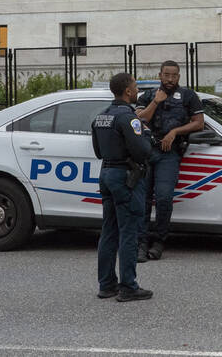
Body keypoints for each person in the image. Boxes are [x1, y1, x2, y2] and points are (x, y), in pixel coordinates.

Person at [91, 72, 154, 302]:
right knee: (129, 232)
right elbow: (143, 151)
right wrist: (147, 136)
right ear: (127, 91)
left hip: (106, 174)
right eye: (135, 87)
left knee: (109, 231)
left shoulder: (101, 117)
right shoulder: (129, 118)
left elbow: (98, 152)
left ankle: (107, 284)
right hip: (126, 177)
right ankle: (128, 286)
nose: (137, 91)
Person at [135, 59, 204, 262]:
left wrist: (175, 131)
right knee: (143, 200)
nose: (170, 79)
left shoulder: (188, 96)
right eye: (167, 75)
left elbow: (199, 123)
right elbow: (139, 120)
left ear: (179, 76)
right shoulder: (147, 95)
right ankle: (141, 242)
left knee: (164, 198)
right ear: (160, 75)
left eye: (174, 75)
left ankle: (159, 241)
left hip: (169, 154)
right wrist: (156, 101)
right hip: (146, 153)